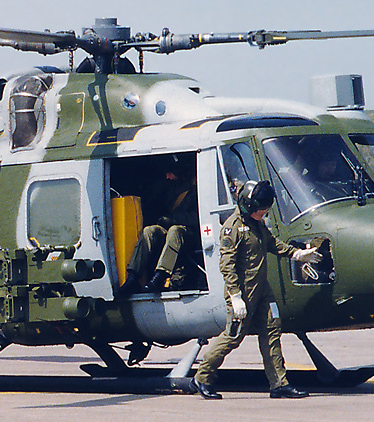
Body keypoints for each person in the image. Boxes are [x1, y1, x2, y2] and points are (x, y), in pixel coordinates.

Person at [190, 180, 322, 400]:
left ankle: (279, 384)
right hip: (242, 292)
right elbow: (227, 265)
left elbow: (271, 243)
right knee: (233, 337)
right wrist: (235, 296)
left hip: (262, 290)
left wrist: (296, 254)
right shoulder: (233, 228)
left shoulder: (256, 224)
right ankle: (202, 377)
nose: (264, 213)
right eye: (261, 209)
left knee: (272, 332)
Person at [121, 158, 199, 294]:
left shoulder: (195, 189)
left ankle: (160, 276)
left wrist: (172, 220)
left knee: (175, 231)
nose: (167, 176)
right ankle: (133, 277)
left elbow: (197, 217)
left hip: (192, 234)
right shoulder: (171, 187)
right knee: (149, 231)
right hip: (171, 232)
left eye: (170, 173)